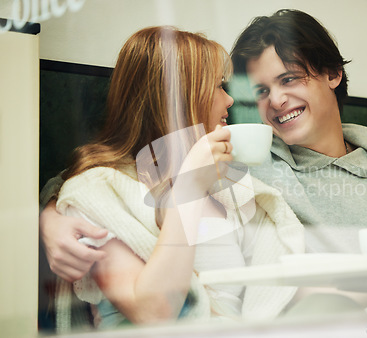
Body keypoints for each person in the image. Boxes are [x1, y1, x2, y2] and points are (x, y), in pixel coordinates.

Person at [40, 9, 367, 321]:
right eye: (258, 90)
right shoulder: (243, 165)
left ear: (332, 73)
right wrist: (48, 217)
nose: (274, 101)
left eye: (290, 79)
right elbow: (98, 182)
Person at [42, 25, 305, 332]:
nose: (229, 101)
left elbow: (278, 291)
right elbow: (153, 311)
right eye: (218, 86)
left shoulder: (229, 192)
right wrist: (189, 188)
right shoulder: (99, 193)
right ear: (177, 99)